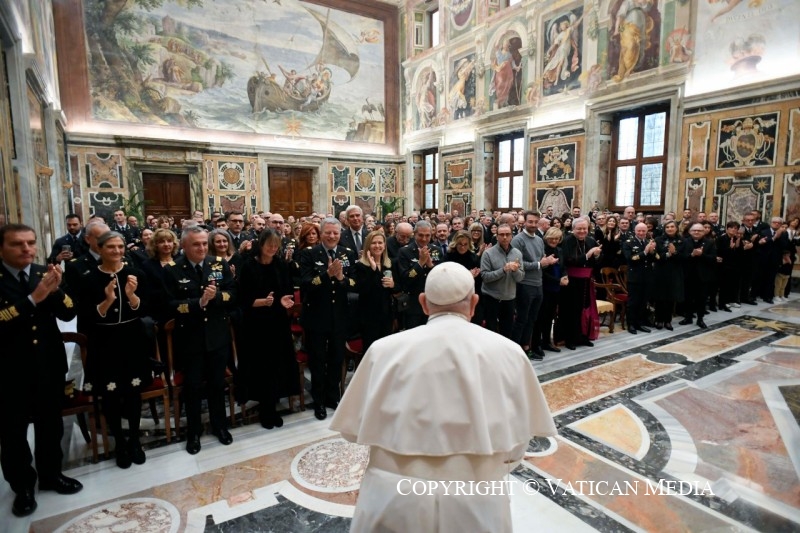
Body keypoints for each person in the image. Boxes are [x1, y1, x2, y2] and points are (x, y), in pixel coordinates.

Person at [330, 262, 557, 533]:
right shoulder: (509, 352)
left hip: (393, 495)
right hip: (477, 493)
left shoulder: (383, 350)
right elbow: (521, 438)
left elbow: (351, 431)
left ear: (424, 303)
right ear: (474, 303)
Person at [0, 224, 83, 517]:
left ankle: (51, 475)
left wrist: (56, 291)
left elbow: (70, 311)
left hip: (47, 364)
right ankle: (22, 487)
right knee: (13, 432)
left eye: (31, 243)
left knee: (51, 425)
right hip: (10, 370)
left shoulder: (41, 272)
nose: (26, 249)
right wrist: (33, 299)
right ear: (2, 248)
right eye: (17, 244)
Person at [78, 231, 151, 469]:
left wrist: (131, 296)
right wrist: (107, 301)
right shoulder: (88, 279)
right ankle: (119, 441)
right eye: (111, 247)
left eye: (120, 246)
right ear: (100, 249)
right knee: (110, 394)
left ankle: (134, 440)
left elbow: (146, 308)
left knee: (133, 393)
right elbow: (85, 317)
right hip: (104, 340)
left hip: (131, 338)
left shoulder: (135, 273)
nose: (117, 251)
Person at [163, 227, 237, 454]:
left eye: (205, 243)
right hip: (190, 338)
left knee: (217, 384)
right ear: (184, 246)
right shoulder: (173, 269)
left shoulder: (218, 264)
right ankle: (193, 432)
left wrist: (215, 297)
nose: (202, 248)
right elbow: (169, 305)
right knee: (192, 387)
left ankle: (219, 425)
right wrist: (198, 303)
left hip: (217, 335)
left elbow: (233, 294)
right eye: (196, 244)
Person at [237, 229, 298, 430]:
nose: (273, 248)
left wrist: (282, 299)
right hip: (255, 324)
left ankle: (273, 406)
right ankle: (265, 409)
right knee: (260, 366)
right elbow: (242, 299)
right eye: (269, 244)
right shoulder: (248, 266)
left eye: (276, 245)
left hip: (277, 322)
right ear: (261, 244)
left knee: (276, 363)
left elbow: (286, 290)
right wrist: (261, 302)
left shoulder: (281, 265)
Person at [299, 217, 357, 420]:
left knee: (336, 359)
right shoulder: (309, 254)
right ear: (321, 233)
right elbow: (305, 283)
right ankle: (319, 401)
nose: (332, 236)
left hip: (340, 317)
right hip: (316, 316)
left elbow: (354, 283)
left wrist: (341, 278)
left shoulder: (347, 253)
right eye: (328, 232)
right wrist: (327, 275)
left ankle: (333, 397)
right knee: (317, 361)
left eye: (336, 233)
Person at [511, 211, 559, 359]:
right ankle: (516, 349)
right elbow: (517, 264)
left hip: (538, 284)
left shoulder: (539, 239)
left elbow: (541, 261)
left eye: (535, 222)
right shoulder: (518, 240)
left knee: (532, 318)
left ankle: (526, 346)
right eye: (530, 221)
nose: (532, 224)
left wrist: (547, 261)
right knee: (522, 319)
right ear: (524, 222)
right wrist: (540, 264)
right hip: (524, 284)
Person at [560, 218, 602, 349]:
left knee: (585, 309)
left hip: (586, 281)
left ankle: (583, 336)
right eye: (579, 229)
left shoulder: (590, 240)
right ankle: (570, 339)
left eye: (585, 228)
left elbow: (598, 261)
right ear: (573, 229)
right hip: (572, 281)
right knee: (572, 310)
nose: (582, 231)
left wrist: (596, 256)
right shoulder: (567, 240)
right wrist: (588, 255)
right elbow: (567, 260)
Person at [353, 231, 395, 352]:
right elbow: (364, 290)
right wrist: (373, 270)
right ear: (368, 246)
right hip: (369, 316)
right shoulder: (361, 266)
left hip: (386, 314)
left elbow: (398, 288)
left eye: (380, 243)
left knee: (386, 349)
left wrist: (393, 285)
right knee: (371, 350)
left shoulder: (389, 263)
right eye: (374, 243)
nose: (377, 246)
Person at [480, 224, 524, 339]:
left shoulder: (517, 253)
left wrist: (515, 271)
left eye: (507, 234)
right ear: (497, 236)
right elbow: (485, 277)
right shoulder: (488, 253)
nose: (505, 237)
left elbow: (520, 277)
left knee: (507, 330)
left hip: (509, 298)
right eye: (502, 235)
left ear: (512, 236)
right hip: (492, 297)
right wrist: (503, 270)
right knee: (491, 331)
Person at [397, 221, 440, 329]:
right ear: (414, 234)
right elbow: (406, 278)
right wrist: (420, 263)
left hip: (432, 302)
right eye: (421, 235)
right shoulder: (404, 251)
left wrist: (430, 265)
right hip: (413, 303)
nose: (424, 239)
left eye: (427, 235)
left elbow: (441, 278)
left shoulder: (436, 250)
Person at [679, 224, 717, 329]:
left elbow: (713, 259)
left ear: (704, 232)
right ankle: (688, 317)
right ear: (690, 231)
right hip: (688, 275)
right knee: (688, 298)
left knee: (701, 299)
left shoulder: (710, 243)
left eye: (699, 231)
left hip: (703, 276)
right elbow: (680, 257)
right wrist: (691, 255)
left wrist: (702, 255)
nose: (696, 232)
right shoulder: (684, 242)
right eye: (694, 230)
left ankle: (700, 319)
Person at [623, 223, 656, 334]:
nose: (641, 233)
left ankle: (640, 323)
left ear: (646, 231)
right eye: (639, 231)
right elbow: (630, 258)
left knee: (643, 301)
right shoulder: (629, 243)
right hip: (635, 277)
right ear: (635, 231)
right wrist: (645, 252)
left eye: (643, 231)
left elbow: (654, 259)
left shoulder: (648, 242)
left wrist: (651, 252)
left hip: (647, 277)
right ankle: (631, 324)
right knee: (633, 302)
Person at [652, 221, 685, 330]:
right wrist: (667, 254)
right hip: (660, 272)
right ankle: (658, 320)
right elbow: (655, 256)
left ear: (676, 228)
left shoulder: (681, 240)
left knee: (670, 298)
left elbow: (684, 257)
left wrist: (674, 253)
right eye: (667, 227)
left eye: (672, 227)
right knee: (659, 298)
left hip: (674, 272)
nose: (670, 229)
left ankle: (667, 321)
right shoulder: (658, 240)